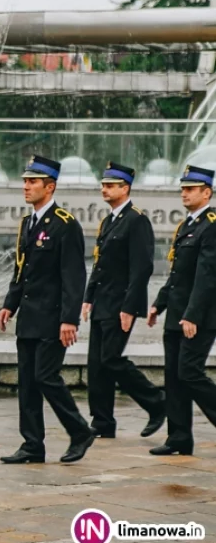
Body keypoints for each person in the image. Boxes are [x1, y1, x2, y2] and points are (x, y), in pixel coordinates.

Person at [0, 155, 94, 464]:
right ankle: (32, 445)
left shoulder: (65, 224)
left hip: (53, 318)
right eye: (25, 181)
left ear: (49, 187)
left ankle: (80, 431)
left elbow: (74, 276)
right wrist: (9, 304)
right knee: (27, 382)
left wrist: (69, 319)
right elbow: (21, 271)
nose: (26, 186)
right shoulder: (28, 223)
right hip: (29, 316)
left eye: (33, 181)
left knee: (45, 376)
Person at [82, 162, 165, 439]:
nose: (104, 189)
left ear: (125, 188)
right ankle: (102, 421)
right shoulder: (109, 221)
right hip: (102, 303)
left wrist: (129, 307)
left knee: (111, 359)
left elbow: (142, 268)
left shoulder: (136, 220)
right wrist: (88, 297)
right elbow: (100, 264)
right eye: (103, 185)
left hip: (120, 305)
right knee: (97, 364)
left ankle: (156, 402)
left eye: (110, 185)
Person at [147, 165, 216, 456]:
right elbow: (178, 275)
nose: (184, 193)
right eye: (183, 189)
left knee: (189, 372)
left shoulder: (211, 225)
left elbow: (207, 276)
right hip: (177, 313)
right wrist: (159, 304)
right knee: (174, 377)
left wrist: (192, 315)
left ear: (206, 192)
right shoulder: (187, 225)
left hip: (198, 317)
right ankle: (179, 437)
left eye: (190, 189)